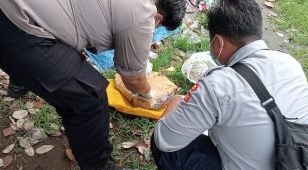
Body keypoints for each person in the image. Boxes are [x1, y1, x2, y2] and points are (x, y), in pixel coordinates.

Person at [0, 0, 186, 169]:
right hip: (17, 24)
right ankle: (98, 166)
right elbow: (133, 79)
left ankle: (20, 82)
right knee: (88, 97)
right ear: (158, 18)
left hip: (17, 10)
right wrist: (149, 93)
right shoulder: (143, 13)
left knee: (64, 61)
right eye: (158, 27)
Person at [151, 0, 308, 169]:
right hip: (298, 161)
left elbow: (164, 140)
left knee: (164, 146)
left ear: (218, 42)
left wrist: (177, 101)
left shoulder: (217, 84)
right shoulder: (291, 63)